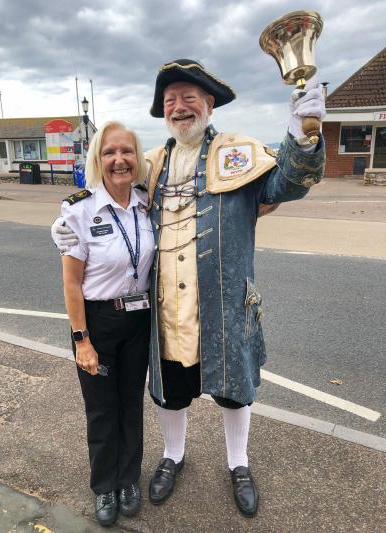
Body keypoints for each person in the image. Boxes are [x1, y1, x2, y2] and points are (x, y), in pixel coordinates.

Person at [53, 59, 325, 518]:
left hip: (221, 303)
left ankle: (238, 464)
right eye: (170, 101)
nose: (179, 108)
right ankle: (173, 455)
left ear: (209, 104)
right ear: (163, 111)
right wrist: (65, 224)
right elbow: (109, 199)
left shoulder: (238, 154)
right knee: (170, 389)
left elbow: (288, 184)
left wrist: (303, 135)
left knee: (234, 390)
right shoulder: (151, 165)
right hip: (164, 308)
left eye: (188, 98)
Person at [60, 121, 155, 527]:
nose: (119, 160)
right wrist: (81, 339)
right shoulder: (78, 210)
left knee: (131, 403)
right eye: (109, 152)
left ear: (138, 158)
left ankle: (128, 479)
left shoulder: (146, 203)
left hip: (139, 319)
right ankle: (104, 486)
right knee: (101, 409)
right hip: (96, 323)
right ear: (98, 159)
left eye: (127, 151)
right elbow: (71, 281)